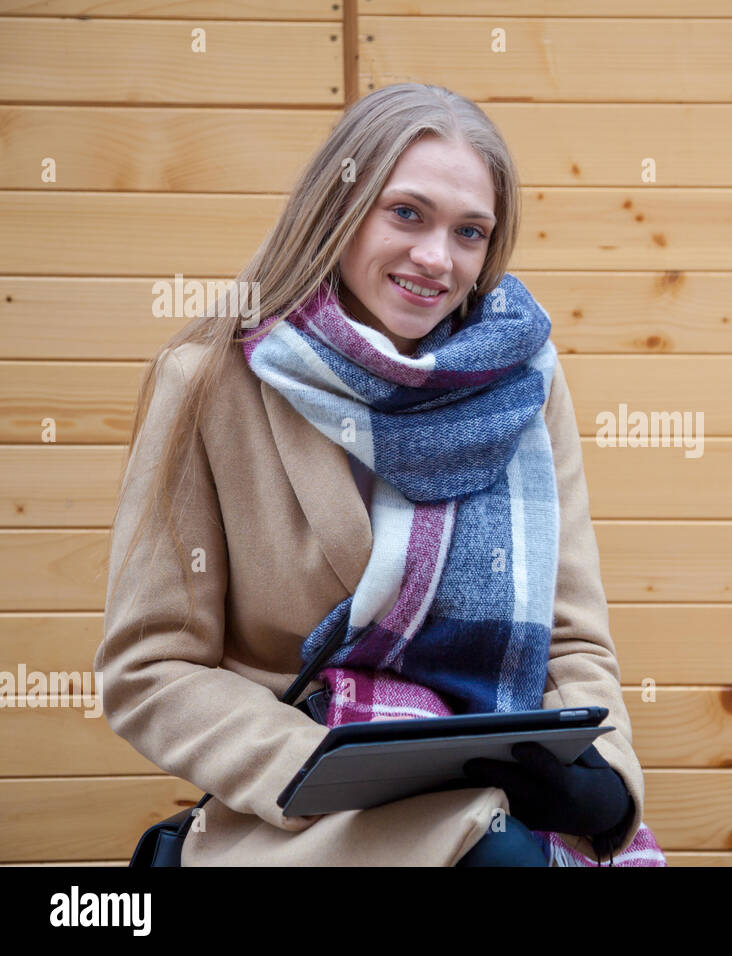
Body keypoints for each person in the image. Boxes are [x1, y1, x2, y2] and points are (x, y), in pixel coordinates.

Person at [95, 83, 666, 866]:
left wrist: (603, 783)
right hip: (307, 816)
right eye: (407, 213)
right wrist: (319, 768)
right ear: (341, 207)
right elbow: (151, 668)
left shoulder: (524, 382)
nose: (438, 258)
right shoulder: (208, 384)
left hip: (502, 799)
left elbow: (571, 642)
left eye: (470, 232)